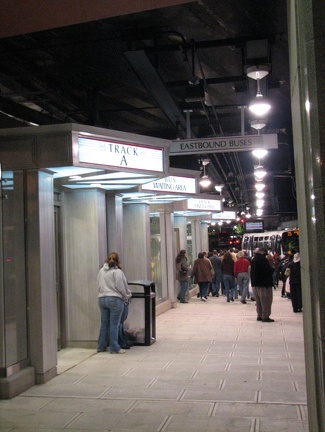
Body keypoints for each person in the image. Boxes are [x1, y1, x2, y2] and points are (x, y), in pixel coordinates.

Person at [97, 252, 132, 354]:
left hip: (102, 299)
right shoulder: (117, 272)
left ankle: (101, 346)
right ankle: (114, 347)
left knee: (104, 324)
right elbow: (121, 287)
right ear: (118, 261)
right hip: (115, 300)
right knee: (114, 324)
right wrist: (127, 296)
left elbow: (98, 284)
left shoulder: (101, 271)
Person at [250, 248, 275, 322]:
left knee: (258, 301)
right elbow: (267, 271)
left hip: (255, 284)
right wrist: (272, 268)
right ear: (262, 252)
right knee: (266, 301)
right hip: (264, 284)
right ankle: (265, 316)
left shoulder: (254, 259)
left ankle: (259, 315)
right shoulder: (263, 260)